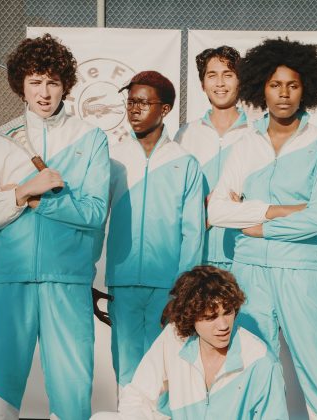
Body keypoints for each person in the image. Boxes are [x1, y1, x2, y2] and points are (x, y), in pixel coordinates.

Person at [0, 34, 110, 420]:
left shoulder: (91, 138)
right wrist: (23, 193)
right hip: (7, 281)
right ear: (21, 85)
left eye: (52, 82)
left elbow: (95, 212)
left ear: (65, 85)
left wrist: (37, 200)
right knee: (1, 396)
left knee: (73, 398)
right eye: (35, 82)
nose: (44, 93)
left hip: (67, 282)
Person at [208, 38, 317, 419]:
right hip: (249, 271)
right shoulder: (246, 143)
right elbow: (217, 210)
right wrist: (273, 210)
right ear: (261, 88)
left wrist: (260, 227)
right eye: (274, 84)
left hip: (301, 273)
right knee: (254, 373)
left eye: (292, 85)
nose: (283, 94)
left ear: (306, 89)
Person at [105, 70, 205, 391]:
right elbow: (96, 219)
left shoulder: (185, 162)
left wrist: (183, 290)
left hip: (168, 287)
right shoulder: (113, 158)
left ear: (165, 109)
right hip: (122, 283)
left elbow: (194, 233)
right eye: (130, 102)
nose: (134, 110)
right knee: (126, 372)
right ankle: (128, 413)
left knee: (167, 371)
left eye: (143, 103)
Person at [92, 265, 289, 420]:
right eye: (211, 317)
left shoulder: (260, 361)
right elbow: (138, 395)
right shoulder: (174, 338)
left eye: (228, 312)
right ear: (191, 317)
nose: (223, 325)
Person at [175, 46, 248, 270]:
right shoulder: (186, 134)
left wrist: (243, 208)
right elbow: (175, 195)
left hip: (241, 255)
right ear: (202, 84)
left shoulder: (256, 133)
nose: (220, 83)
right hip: (197, 257)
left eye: (228, 75)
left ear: (240, 81)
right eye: (212, 75)